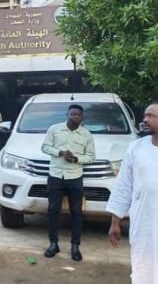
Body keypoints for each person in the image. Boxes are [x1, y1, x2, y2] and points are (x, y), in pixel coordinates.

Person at [106, 103, 158, 283]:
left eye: (151, 116)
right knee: (143, 269)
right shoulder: (136, 148)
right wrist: (115, 222)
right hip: (144, 224)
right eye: (145, 115)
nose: (145, 119)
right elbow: (124, 186)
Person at [41, 103, 95, 262]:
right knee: (53, 211)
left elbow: (91, 157)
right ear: (67, 115)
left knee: (76, 213)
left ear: (82, 117)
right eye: (72, 114)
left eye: (78, 115)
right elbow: (45, 147)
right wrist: (60, 152)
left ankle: (75, 246)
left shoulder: (86, 134)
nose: (75, 117)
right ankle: (53, 244)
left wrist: (76, 159)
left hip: (75, 177)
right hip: (56, 176)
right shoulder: (54, 129)